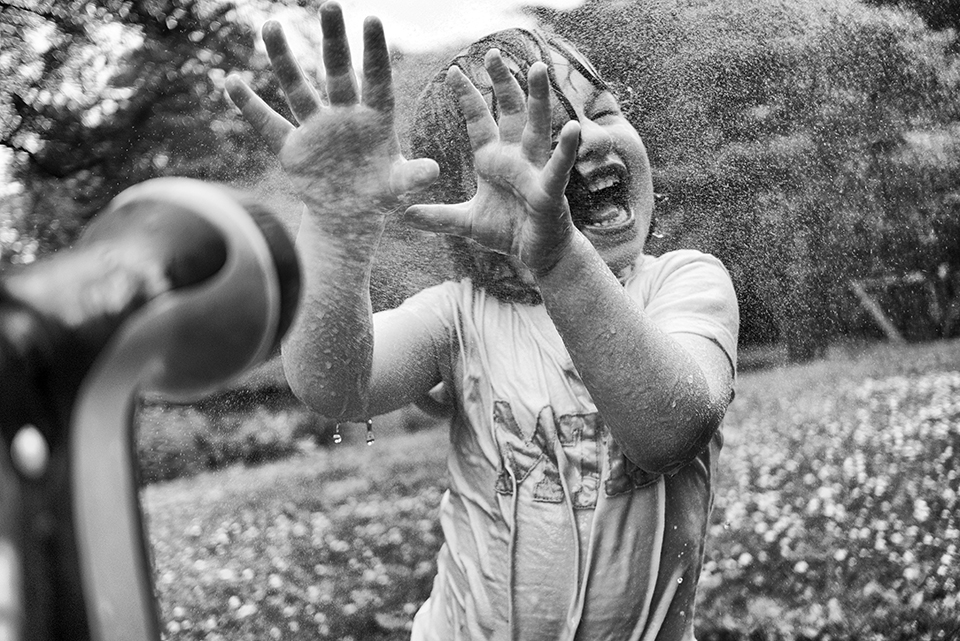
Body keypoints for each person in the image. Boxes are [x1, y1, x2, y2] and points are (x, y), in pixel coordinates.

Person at [226, 3, 739, 640]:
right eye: (544, 136)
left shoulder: (686, 283)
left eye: (602, 110)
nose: (589, 136)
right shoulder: (458, 316)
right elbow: (336, 385)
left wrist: (557, 258)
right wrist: (336, 226)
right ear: (472, 199)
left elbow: (670, 431)